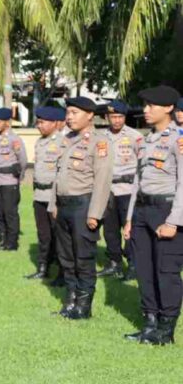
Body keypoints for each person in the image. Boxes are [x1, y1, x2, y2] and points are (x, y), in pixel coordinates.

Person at [122, 85, 183, 344]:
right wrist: (129, 217)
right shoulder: (147, 140)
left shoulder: (178, 140)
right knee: (144, 270)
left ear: (168, 108)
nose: (145, 111)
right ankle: (150, 323)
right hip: (142, 212)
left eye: (151, 106)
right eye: (144, 106)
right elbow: (138, 180)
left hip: (166, 211)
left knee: (166, 271)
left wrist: (173, 221)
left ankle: (166, 331)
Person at [48, 96, 113, 320]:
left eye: (74, 112)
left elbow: (102, 180)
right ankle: (71, 300)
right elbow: (58, 175)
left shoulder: (99, 141)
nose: (69, 117)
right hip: (64, 206)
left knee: (83, 258)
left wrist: (95, 214)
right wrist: (53, 203)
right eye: (68, 112)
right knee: (66, 257)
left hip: (83, 206)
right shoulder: (66, 139)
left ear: (89, 115)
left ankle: (84, 306)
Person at [99, 100, 141, 280]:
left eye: (120, 117)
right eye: (113, 117)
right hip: (107, 190)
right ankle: (114, 263)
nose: (116, 120)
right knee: (109, 229)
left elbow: (142, 163)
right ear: (107, 117)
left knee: (130, 229)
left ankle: (133, 264)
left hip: (127, 189)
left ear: (125, 117)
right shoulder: (100, 136)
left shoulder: (135, 136)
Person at [25, 107, 66, 283]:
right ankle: (43, 267)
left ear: (55, 123)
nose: (38, 125)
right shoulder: (40, 142)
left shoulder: (63, 142)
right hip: (39, 195)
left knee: (60, 236)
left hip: (54, 196)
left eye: (42, 122)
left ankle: (63, 273)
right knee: (43, 235)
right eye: (38, 122)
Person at [0, 108, 27, 250]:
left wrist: (18, 177)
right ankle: (2, 239)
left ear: (7, 122)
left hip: (9, 180)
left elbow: (22, 160)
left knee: (9, 212)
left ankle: (12, 242)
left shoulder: (14, 139)